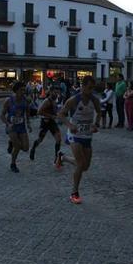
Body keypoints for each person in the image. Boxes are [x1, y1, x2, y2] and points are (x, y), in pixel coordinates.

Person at [56, 76, 101, 204]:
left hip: (87, 135)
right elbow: (60, 114)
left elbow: (99, 113)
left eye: (93, 88)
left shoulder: (95, 100)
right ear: (83, 87)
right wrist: (70, 125)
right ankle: (74, 193)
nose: (91, 91)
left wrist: (96, 124)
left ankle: (63, 157)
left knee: (85, 166)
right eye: (89, 88)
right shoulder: (73, 100)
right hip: (74, 134)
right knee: (81, 164)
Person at [0, 81, 32, 173]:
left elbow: (27, 112)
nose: (24, 92)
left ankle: (11, 143)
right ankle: (13, 164)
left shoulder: (25, 100)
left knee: (26, 148)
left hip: (21, 126)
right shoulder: (9, 100)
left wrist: (29, 124)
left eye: (24, 90)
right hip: (12, 126)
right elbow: (2, 115)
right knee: (17, 146)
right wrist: (8, 124)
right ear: (16, 90)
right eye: (22, 90)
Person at [29, 85, 62, 165]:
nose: (56, 93)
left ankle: (57, 159)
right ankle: (33, 148)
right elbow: (39, 112)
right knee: (40, 139)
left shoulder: (55, 100)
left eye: (57, 92)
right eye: (54, 92)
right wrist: (51, 116)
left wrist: (58, 115)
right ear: (50, 92)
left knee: (58, 138)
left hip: (52, 122)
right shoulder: (47, 101)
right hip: (45, 122)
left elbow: (54, 111)